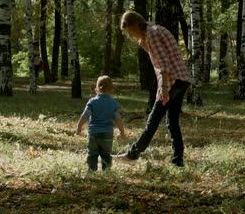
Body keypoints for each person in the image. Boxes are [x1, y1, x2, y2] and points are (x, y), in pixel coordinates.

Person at [117, 11, 191, 167]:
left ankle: (132, 154)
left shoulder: (152, 34)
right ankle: (178, 162)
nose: (130, 35)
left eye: (130, 31)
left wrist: (163, 88)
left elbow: (163, 64)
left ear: (136, 24)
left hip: (172, 80)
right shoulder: (151, 33)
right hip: (180, 79)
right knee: (172, 122)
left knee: (153, 119)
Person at [77, 75, 126, 172]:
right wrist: (122, 131)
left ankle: (91, 170)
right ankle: (106, 171)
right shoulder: (113, 103)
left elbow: (85, 115)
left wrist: (79, 126)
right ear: (111, 90)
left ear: (96, 89)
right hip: (107, 134)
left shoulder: (92, 102)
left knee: (92, 153)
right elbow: (118, 119)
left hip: (93, 133)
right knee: (106, 155)